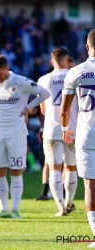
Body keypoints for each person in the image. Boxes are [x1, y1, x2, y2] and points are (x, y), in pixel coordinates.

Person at [0, 54, 49, 219]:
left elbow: (44, 93)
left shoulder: (22, 82)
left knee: (16, 170)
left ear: (6, 68)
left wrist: (28, 107)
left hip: (17, 133)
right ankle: (3, 209)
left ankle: (15, 209)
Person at [60, 28, 95, 248]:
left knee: (90, 185)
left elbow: (65, 110)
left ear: (87, 46)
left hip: (87, 135)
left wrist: (65, 128)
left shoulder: (75, 71)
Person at [38, 48, 78, 216]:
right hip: (73, 128)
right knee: (71, 168)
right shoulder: (75, 76)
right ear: (67, 60)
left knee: (54, 168)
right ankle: (69, 203)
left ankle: (60, 207)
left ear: (51, 61)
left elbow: (43, 109)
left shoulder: (44, 79)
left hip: (52, 129)